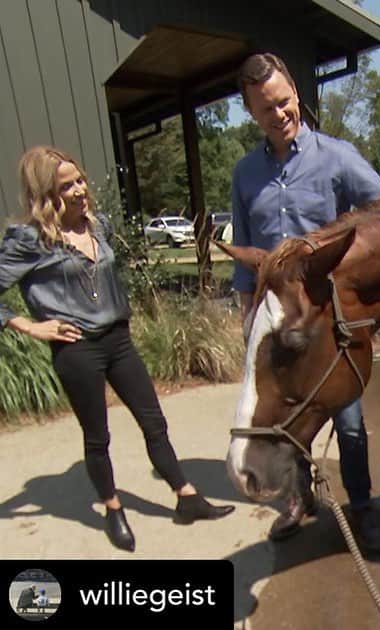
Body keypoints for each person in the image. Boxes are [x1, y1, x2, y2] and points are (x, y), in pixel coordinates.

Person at [0, 146, 235, 552]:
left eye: (80, 180)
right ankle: (112, 508)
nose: (80, 190)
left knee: (154, 421)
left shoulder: (98, 224)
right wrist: (32, 327)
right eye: (67, 185)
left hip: (119, 340)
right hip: (77, 350)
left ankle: (186, 497)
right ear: (45, 193)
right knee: (98, 436)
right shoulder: (30, 240)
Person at [232, 53, 380, 553]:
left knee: (347, 420)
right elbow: (243, 247)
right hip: (277, 319)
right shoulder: (245, 174)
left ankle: (362, 508)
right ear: (252, 114)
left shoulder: (337, 157)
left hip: (325, 320)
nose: (279, 114)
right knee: (285, 412)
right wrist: (246, 316)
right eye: (265, 109)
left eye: (283, 102)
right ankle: (299, 501)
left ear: (295, 94)